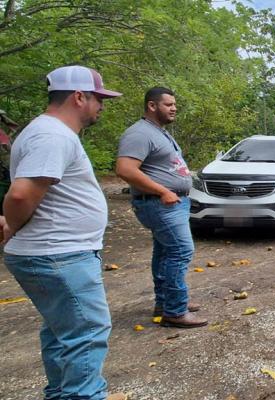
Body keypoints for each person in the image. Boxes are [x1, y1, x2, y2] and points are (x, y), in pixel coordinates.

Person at [1, 66, 126, 400]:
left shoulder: (46, 132)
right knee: (86, 333)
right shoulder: (52, 135)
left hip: (55, 252)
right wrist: (10, 225)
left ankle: (60, 393)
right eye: (99, 98)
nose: (102, 105)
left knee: (63, 334)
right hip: (58, 253)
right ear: (79, 97)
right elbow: (20, 194)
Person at [116, 87, 207, 328]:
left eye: (174, 104)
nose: (174, 108)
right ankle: (175, 311)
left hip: (171, 203)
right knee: (180, 251)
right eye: (168, 104)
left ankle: (166, 302)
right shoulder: (139, 133)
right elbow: (125, 169)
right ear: (152, 106)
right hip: (159, 203)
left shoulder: (158, 132)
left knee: (165, 253)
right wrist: (163, 191)